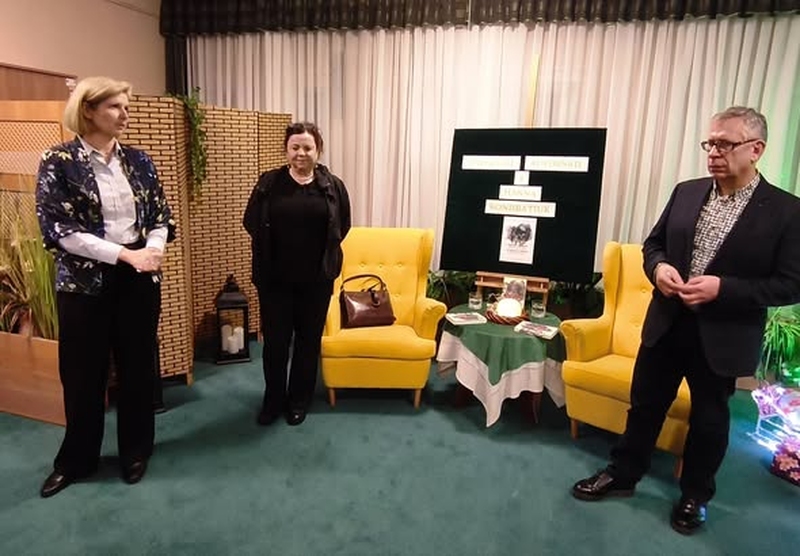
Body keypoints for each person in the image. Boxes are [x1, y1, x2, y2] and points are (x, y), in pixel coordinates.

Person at [571, 106, 800, 534]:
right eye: (709, 143)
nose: (713, 152)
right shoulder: (687, 191)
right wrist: (658, 269)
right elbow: (653, 245)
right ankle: (623, 473)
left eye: (725, 144)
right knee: (645, 406)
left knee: (710, 420)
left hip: (724, 335)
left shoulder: (787, 211)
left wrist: (723, 288)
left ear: (756, 149)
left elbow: (790, 284)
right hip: (666, 322)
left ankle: (695, 495)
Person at [35, 76, 175, 498]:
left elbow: (161, 216)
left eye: (126, 106)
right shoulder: (59, 161)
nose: (125, 114)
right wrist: (126, 256)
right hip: (84, 284)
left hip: (138, 279)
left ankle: (136, 451)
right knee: (83, 374)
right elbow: (60, 230)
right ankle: (76, 460)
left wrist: (152, 250)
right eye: (115, 107)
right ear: (88, 110)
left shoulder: (139, 160)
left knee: (137, 369)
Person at [243, 122, 351, 426]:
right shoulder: (269, 183)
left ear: (318, 150)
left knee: (307, 343)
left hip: (317, 281)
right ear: (286, 150)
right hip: (274, 281)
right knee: (275, 344)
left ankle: (298, 401)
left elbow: (342, 226)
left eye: (307, 147)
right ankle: (273, 400)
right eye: (295, 147)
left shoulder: (333, 186)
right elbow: (251, 221)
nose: (301, 153)